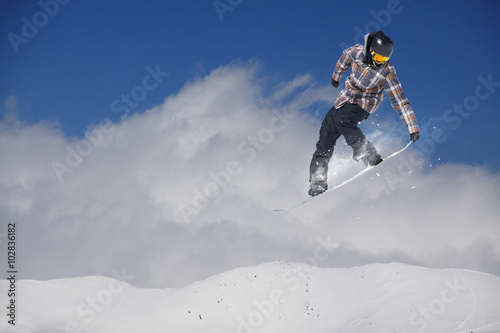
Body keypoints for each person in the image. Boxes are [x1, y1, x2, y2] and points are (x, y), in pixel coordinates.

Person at [308, 30, 420, 197]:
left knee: (343, 121)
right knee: (326, 133)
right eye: (379, 58)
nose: (381, 62)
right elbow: (344, 58)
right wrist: (336, 77)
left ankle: (368, 153)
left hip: (364, 103)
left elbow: (399, 100)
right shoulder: (357, 52)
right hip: (345, 98)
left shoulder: (386, 72)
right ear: (371, 51)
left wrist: (412, 127)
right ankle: (318, 181)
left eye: (385, 59)